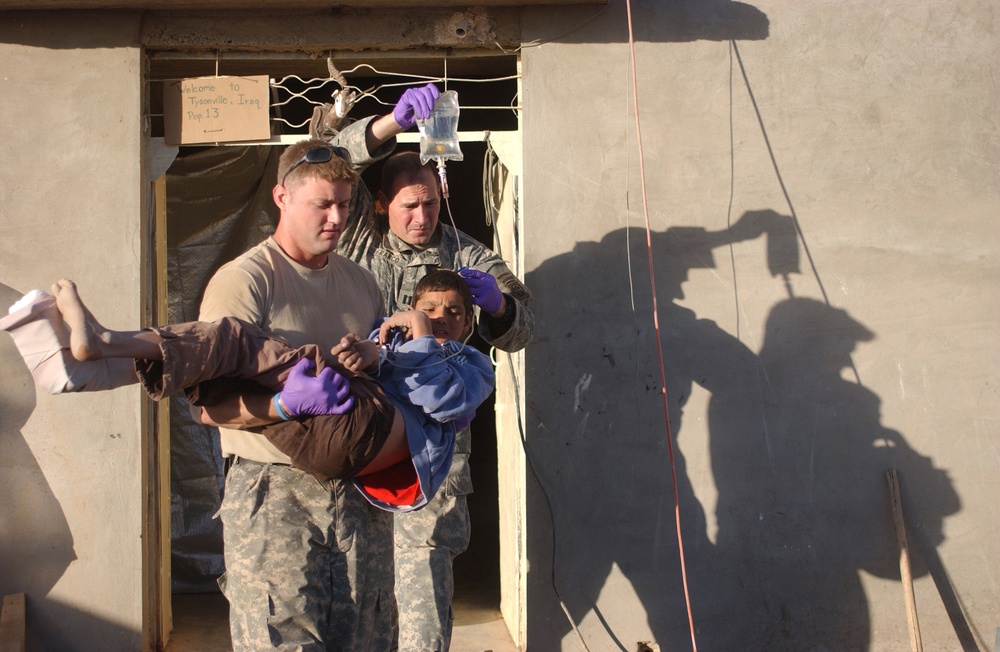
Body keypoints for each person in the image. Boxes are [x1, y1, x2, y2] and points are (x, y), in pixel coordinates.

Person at [189, 93, 432, 651]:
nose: (337, 218)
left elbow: (386, 380)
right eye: (322, 204)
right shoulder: (244, 281)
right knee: (282, 639)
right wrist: (280, 406)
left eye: (345, 205)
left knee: (368, 636)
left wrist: (376, 361)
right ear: (281, 197)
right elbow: (207, 404)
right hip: (275, 491)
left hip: (357, 489)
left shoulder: (359, 281)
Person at [9, 273, 493, 513]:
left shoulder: (470, 362)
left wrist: (421, 335)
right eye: (430, 307)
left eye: (453, 312)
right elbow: (380, 382)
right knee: (225, 376)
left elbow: (442, 402)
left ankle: (106, 344)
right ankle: (86, 368)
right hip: (325, 445)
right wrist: (363, 354)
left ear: (468, 323)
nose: (441, 316)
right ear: (410, 306)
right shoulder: (391, 340)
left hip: (366, 436)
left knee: (239, 339)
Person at [336, 94, 534, 651]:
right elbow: (326, 165)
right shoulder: (354, 243)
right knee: (361, 585)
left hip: (435, 453)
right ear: (380, 205)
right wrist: (389, 124)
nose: (422, 218)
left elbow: (523, 332)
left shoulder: (468, 257)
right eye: (408, 207)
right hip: (361, 441)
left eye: (428, 204)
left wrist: (498, 306)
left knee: (422, 588)